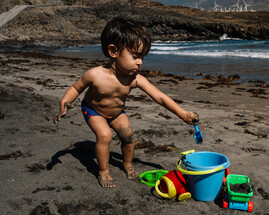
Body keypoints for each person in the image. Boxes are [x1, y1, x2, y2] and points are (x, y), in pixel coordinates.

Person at [54, 18, 199, 188]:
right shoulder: (95, 75)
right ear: (113, 51)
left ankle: (127, 163)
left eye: (142, 57)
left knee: (128, 136)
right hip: (93, 111)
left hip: (116, 112)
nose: (140, 62)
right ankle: (104, 171)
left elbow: (159, 97)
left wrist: (183, 114)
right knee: (105, 136)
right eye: (135, 56)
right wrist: (65, 101)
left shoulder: (135, 79)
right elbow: (75, 88)